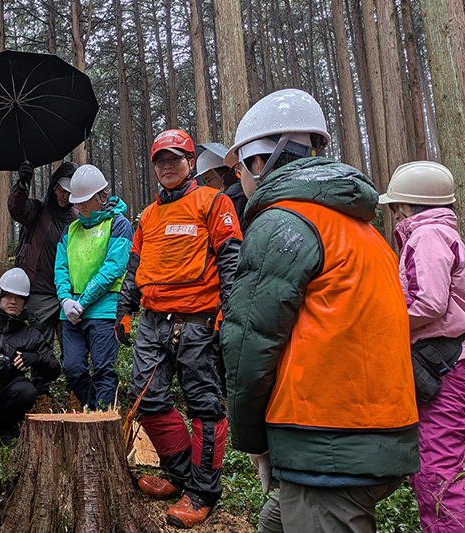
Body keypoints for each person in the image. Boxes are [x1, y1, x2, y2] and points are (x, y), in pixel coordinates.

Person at [220, 88, 419, 533]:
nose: (238, 179)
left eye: (238, 167)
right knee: (274, 522)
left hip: (329, 438)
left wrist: (252, 440)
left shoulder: (283, 222)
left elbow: (249, 341)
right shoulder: (359, 225)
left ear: (261, 161)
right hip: (376, 432)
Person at [115, 129, 242, 528]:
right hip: (152, 321)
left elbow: (232, 259)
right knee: (146, 399)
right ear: (154, 167)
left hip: (198, 322)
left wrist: (229, 309)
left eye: (175, 158)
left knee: (204, 405)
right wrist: (124, 308)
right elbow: (135, 267)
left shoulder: (213, 201)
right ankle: (183, 477)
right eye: (160, 160)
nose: (167, 166)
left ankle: (203, 493)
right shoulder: (148, 216)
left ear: (190, 161)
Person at [378, 161, 465, 533]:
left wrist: (382, 324)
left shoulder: (426, 236)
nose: (395, 212)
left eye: (397, 205)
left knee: (437, 470)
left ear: (407, 205)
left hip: (443, 367)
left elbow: (428, 303)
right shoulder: (443, 234)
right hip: (452, 361)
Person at [53, 164, 132, 411]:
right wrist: (66, 300)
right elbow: (61, 268)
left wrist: (84, 301)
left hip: (104, 311)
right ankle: (95, 410)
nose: (82, 207)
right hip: (71, 314)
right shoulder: (70, 230)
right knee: (72, 368)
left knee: (104, 370)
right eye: (78, 202)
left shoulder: (119, 225)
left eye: (87, 200)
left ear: (101, 197)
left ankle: (102, 420)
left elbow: (113, 268)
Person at [9, 161, 79, 413]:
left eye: (70, 191)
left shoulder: (75, 218)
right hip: (38, 289)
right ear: (53, 186)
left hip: (67, 293)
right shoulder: (38, 210)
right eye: (62, 188)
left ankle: (76, 393)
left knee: (73, 345)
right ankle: (41, 396)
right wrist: (22, 185)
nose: (65, 195)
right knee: (41, 345)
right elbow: (17, 210)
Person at [0, 268, 61, 443]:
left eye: (20, 297)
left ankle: (6, 425)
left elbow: (54, 369)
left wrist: (35, 358)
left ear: (26, 301)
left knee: (26, 390)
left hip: (10, 389)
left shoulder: (30, 334)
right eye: (8, 295)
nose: (13, 301)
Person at [194, 143, 246, 223]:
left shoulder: (238, 199)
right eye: (204, 182)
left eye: (208, 180)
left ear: (224, 176)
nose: (206, 186)